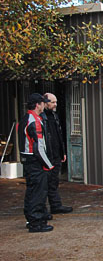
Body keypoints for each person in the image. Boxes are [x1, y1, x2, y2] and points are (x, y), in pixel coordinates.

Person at [19, 93, 55, 232]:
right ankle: (36, 222)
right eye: (42, 103)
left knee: (31, 191)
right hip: (35, 161)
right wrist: (48, 165)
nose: (43, 105)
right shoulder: (34, 120)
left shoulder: (26, 118)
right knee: (38, 193)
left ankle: (31, 219)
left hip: (28, 160)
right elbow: (38, 147)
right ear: (37, 104)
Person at [41, 93, 73, 215]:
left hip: (56, 154)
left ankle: (55, 205)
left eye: (56, 102)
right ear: (46, 102)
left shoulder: (54, 116)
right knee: (45, 183)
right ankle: (43, 209)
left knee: (54, 181)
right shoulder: (41, 117)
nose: (55, 105)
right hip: (47, 155)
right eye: (53, 102)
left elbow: (59, 135)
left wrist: (62, 152)